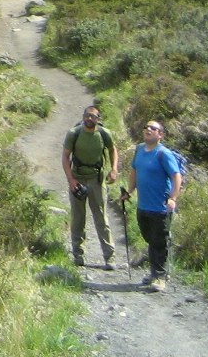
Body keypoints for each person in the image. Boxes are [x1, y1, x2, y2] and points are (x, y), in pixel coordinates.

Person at [128, 118, 183, 291]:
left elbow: (176, 176)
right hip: (143, 205)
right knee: (150, 239)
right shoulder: (139, 150)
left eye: (153, 128)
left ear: (160, 135)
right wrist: (129, 191)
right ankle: (154, 273)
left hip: (160, 207)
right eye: (146, 127)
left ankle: (160, 277)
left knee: (160, 241)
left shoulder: (163, 153)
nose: (148, 129)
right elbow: (134, 171)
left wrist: (173, 198)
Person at [61, 103, 118, 268]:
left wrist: (114, 170)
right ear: (83, 117)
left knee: (101, 218)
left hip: (97, 180)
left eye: (93, 116)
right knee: (78, 218)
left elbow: (113, 150)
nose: (89, 119)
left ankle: (110, 257)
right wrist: (71, 180)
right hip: (77, 179)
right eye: (87, 115)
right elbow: (65, 157)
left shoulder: (104, 134)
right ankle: (78, 255)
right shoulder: (74, 133)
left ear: (98, 119)